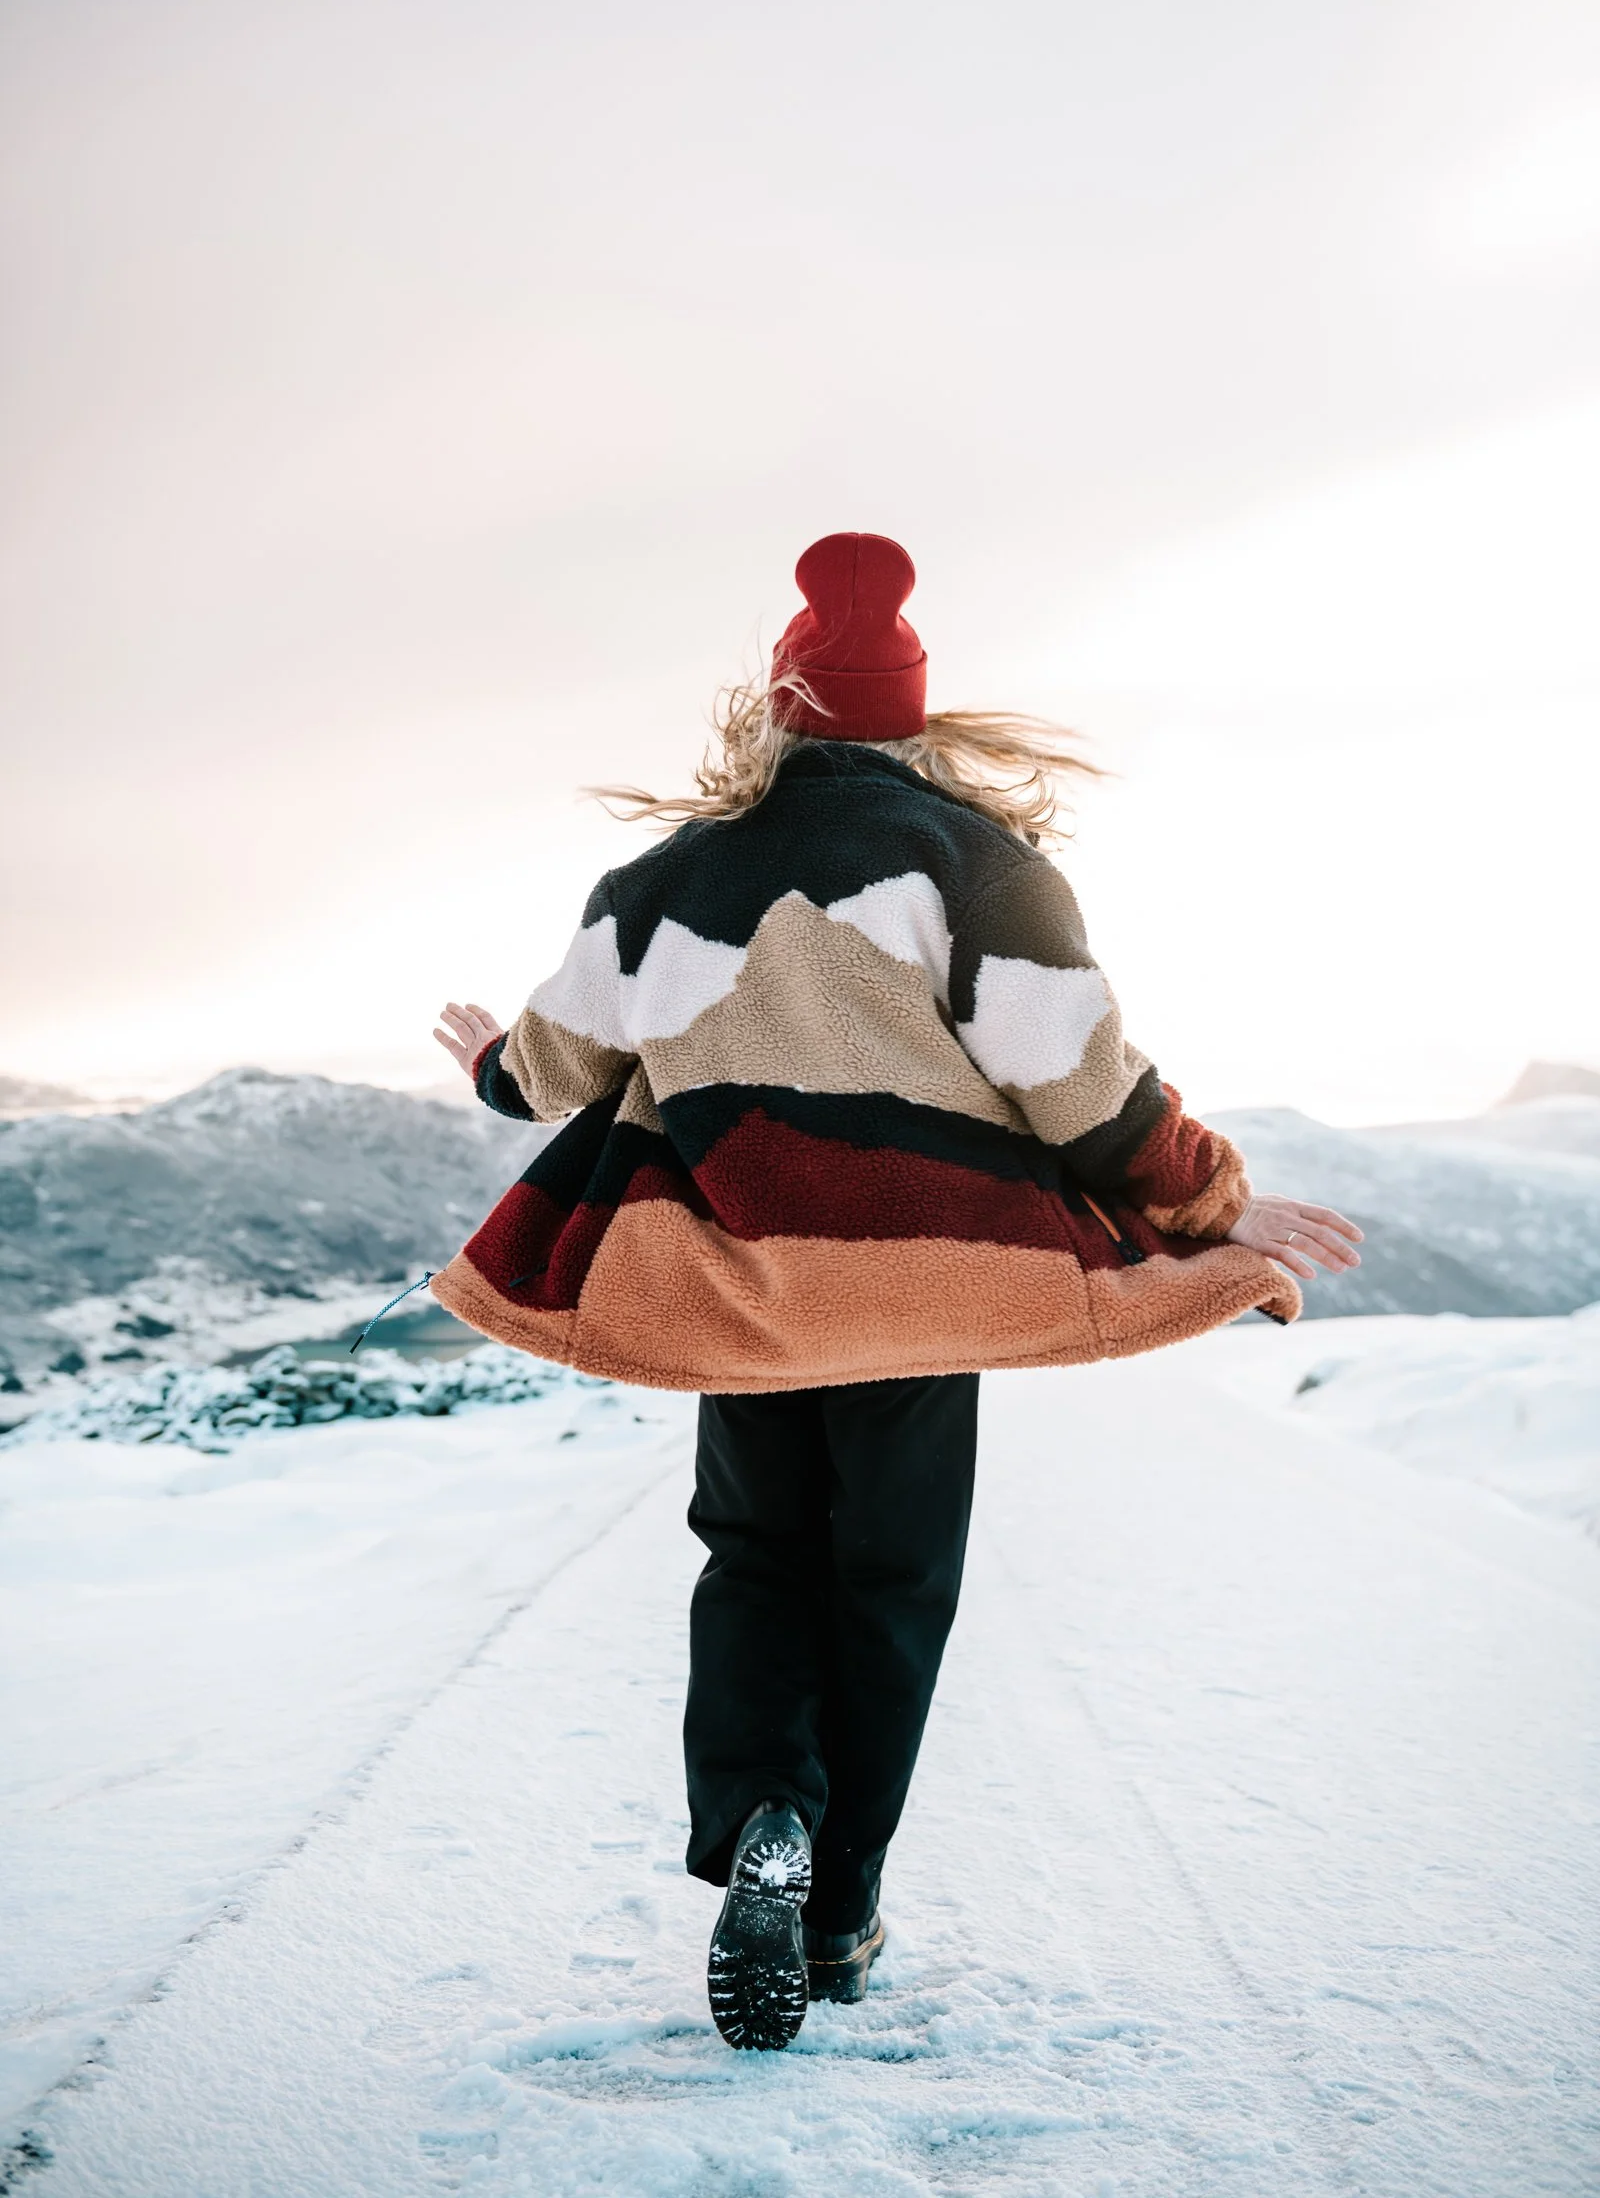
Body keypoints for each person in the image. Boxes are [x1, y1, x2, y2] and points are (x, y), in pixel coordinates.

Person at [431, 531, 1362, 2051]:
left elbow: (547, 1074)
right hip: (930, 1296)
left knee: (753, 1560)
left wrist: (478, 1054)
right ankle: (840, 1905)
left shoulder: (657, 882)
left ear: (778, 716)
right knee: (889, 1586)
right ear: (913, 721)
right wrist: (1214, 1206)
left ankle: (757, 1828)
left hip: (740, 1294)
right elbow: (1087, 1096)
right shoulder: (981, 868)